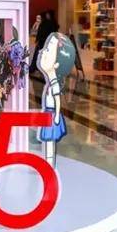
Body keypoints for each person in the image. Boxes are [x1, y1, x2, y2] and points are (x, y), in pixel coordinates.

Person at [36, 32, 76, 168]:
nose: (42, 51)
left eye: (48, 49)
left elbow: (57, 100)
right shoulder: (51, 84)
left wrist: (57, 115)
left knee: (50, 142)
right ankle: (48, 164)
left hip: (52, 116)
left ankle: (49, 164)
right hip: (49, 114)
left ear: (57, 64)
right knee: (48, 142)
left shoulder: (54, 85)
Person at [30, 10, 59, 74]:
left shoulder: (46, 23)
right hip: (48, 43)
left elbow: (41, 32)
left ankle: (36, 68)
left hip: (43, 42)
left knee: (39, 56)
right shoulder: (53, 23)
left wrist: (38, 40)